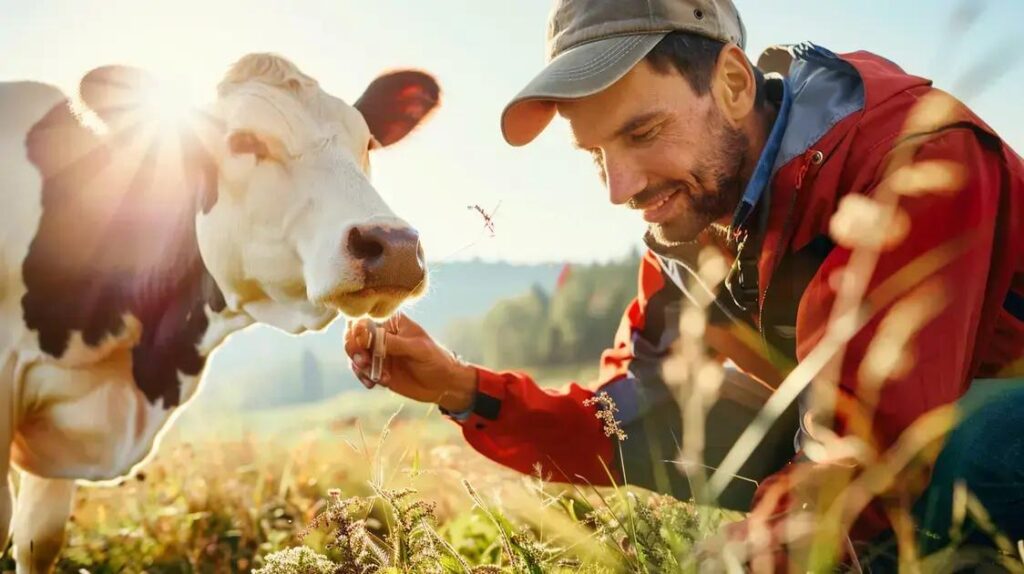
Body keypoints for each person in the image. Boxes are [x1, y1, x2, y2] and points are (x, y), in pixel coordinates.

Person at [345, 0, 1024, 566]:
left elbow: (871, 446)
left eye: (642, 132)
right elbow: (624, 418)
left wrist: (749, 550)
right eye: (596, 155)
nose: (620, 189)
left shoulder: (910, 157)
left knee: (955, 452)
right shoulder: (697, 226)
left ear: (732, 83)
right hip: (897, 430)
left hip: (985, 414)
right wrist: (461, 389)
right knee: (684, 418)